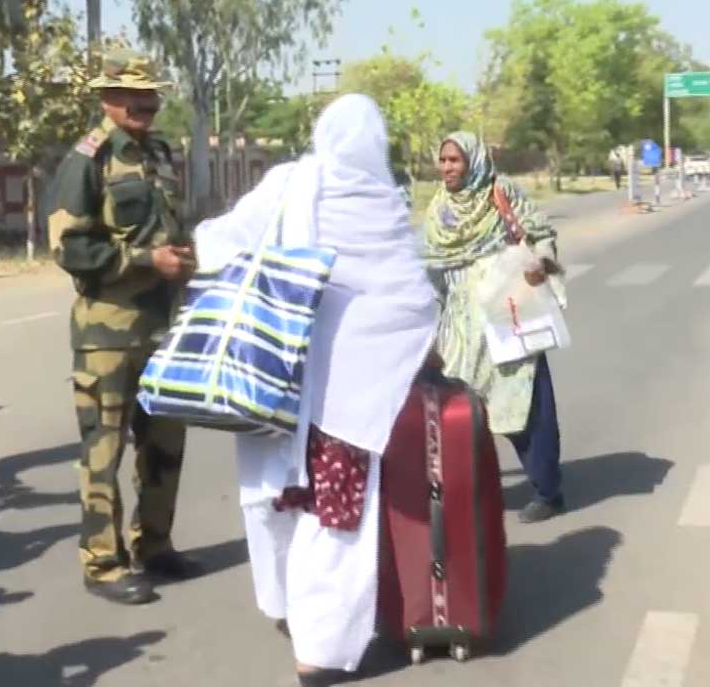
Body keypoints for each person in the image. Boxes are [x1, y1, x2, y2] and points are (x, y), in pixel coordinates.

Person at [197, 94, 437, 686]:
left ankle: (288, 611)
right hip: (351, 402)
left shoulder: (289, 183)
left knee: (279, 500)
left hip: (278, 383)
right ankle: (321, 650)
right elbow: (413, 300)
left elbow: (221, 243)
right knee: (336, 517)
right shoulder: (386, 203)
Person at [48, 48, 199, 606]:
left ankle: (154, 545)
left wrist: (186, 259)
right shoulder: (86, 161)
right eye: (134, 97)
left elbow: (173, 227)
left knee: (165, 444)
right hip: (106, 334)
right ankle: (102, 561)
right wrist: (144, 262)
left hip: (163, 327)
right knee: (103, 449)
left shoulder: (160, 154)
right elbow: (68, 246)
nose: (147, 105)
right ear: (108, 101)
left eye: (152, 95)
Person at [423, 132, 566, 523]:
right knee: (463, 411)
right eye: (444, 160)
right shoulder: (438, 208)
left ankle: (547, 490)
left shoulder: (500, 193)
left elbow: (539, 234)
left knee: (525, 406)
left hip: (507, 314)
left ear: (473, 161)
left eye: (455, 160)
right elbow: (431, 269)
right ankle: (469, 490)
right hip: (460, 327)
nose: (448, 168)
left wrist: (540, 262)